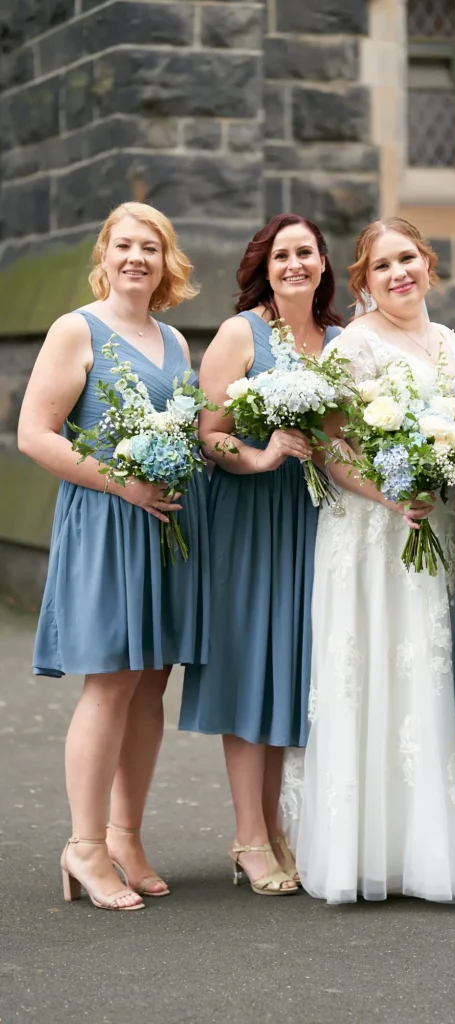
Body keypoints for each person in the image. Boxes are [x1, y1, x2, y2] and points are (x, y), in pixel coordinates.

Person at [281, 217, 455, 904]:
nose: (398, 273)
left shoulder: (450, 342)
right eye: (381, 267)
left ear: (429, 264)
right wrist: (394, 494)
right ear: (365, 283)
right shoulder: (355, 346)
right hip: (372, 538)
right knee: (374, 672)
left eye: (408, 259)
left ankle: (433, 850)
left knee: (430, 678)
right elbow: (332, 450)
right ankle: (361, 851)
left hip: (439, 526)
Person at [17, 201, 209, 911]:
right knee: (110, 680)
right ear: (104, 255)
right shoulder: (77, 329)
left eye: (150, 247)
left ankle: (125, 836)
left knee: (151, 678)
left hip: (159, 526)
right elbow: (35, 435)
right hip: (104, 520)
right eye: (124, 245)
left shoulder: (174, 341)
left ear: (166, 262)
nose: (137, 257)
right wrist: (121, 481)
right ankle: (85, 847)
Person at [179, 214, 343, 896]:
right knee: (252, 670)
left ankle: (275, 827)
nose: (295, 263)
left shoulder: (340, 340)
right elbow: (207, 435)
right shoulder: (241, 332)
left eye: (306, 252)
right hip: (250, 519)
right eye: (283, 254)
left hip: (318, 523)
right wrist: (264, 452)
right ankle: (250, 835)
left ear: (324, 262)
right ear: (265, 266)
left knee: (292, 671)